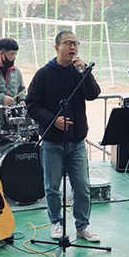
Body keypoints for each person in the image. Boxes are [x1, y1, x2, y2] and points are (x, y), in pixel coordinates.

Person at [25, 30, 101, 242]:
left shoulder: (79, 71)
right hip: (52, 141)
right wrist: (53, 120)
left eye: (76, 43)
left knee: (83, 187)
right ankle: (57, 223)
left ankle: (82, 226)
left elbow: (93, 94)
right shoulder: (44, 74)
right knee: (52, 187)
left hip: (76, 141)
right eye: (68, 43)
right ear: (56, 47)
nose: (73, 47)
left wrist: (85, 73)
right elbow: (31, 104)